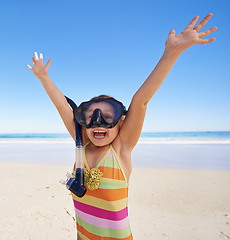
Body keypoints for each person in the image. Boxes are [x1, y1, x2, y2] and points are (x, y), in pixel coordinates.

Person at [27, 14, 217, 240]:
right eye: (91, 115)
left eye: (108, 116)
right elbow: (62, 107)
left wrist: (171, 52)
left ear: (121, 124)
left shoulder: (121, 149)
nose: (98, 121)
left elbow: (141, 101)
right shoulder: (81, 143)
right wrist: (43, 77)